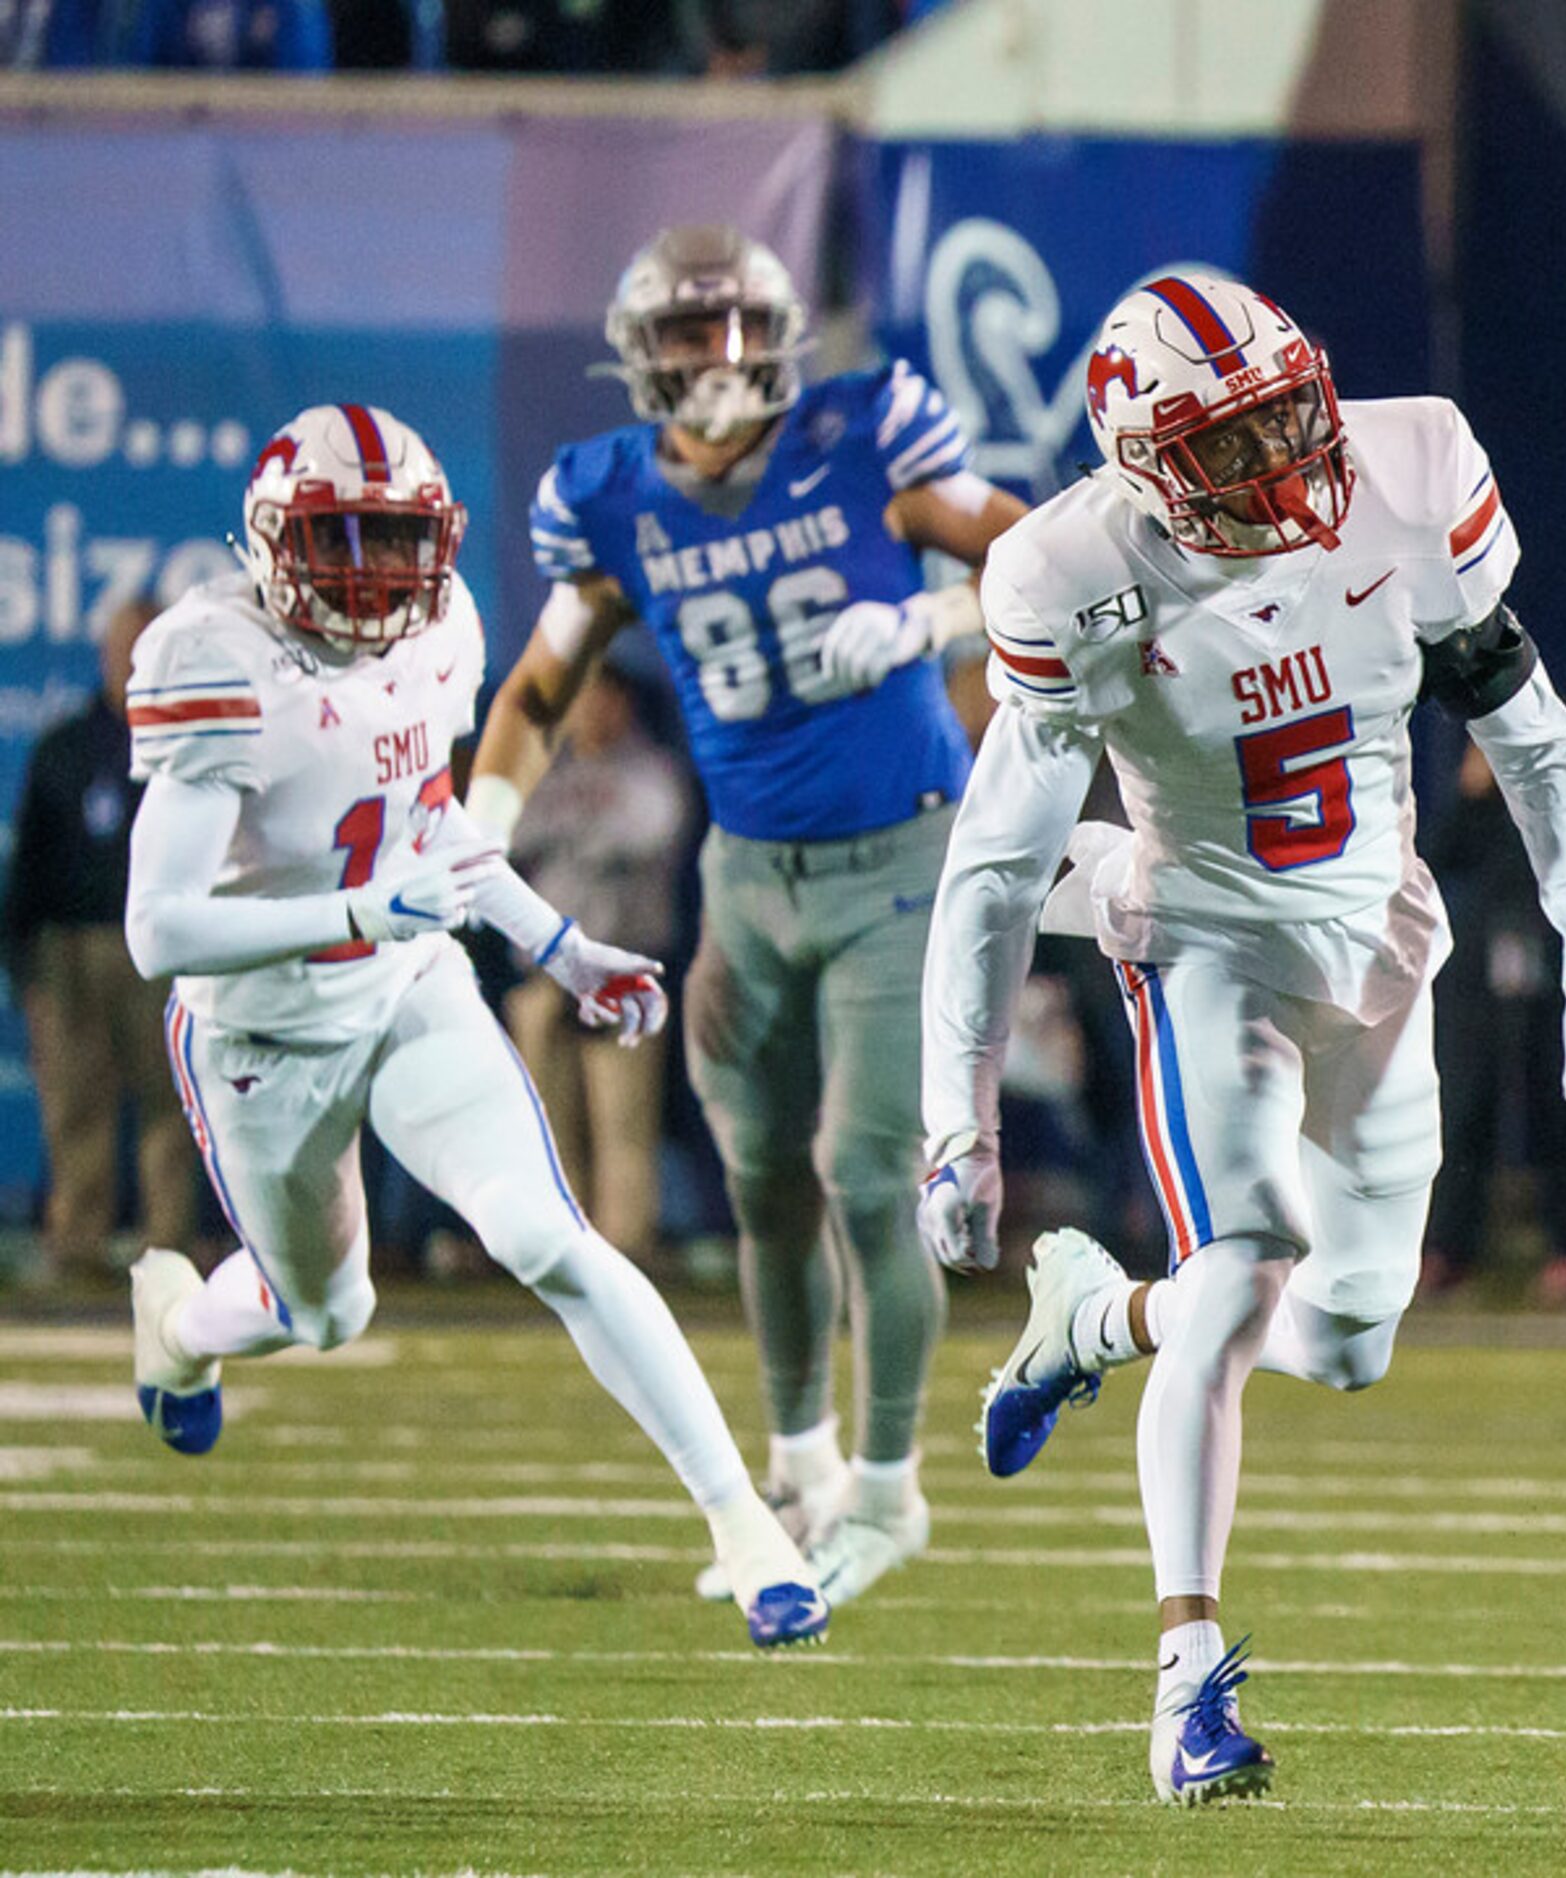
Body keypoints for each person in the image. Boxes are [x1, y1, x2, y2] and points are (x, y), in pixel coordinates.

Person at [916, 272, 1566, 1803]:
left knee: (1350, 1335)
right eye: (1227, 444)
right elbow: (990, 869)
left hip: (1377, 929)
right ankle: (1186, 1685)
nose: (1280, 465)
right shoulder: (1070, 573)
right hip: (1204, 948)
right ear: (1144, 466)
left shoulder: (1413, 466)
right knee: (1247, 1267)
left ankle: (1100, 1319)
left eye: (1282, 418)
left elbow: (1533, 733)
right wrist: (957, 1121)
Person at [122, 402, 825, 1649]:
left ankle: (743, 1524)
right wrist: (357, 905)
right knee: (326, 1313)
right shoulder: (214, 659)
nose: (375, 578)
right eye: (343, 542)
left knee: (544, 1235)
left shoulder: (440, 631)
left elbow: (430, 826)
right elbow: (158, 931)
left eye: (398, 543)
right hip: (260, 1041)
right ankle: (179, 1332)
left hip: (403, 989)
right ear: (273, 542)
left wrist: (558, 941)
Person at [471, 225, 1025, 1608]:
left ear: (780, 337)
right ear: (637, 353)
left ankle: (890, 1491)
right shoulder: (607, 500)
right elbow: (539, 693)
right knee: (765, 1181)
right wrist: (475, 843)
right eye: (686, 334)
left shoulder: (861, 435)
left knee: (861, 1170)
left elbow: (1043, 556)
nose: (717, 361)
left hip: (903, 856)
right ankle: (802, 1470)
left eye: (738, 330)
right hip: (747, 878)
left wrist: (933, 616)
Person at [3, 598, 201, 1283]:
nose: (131, 661)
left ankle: (167, 1248)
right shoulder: (65, 745)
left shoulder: (189, 747)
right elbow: (29, 859)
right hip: (72, 950)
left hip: (161, 945)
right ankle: (78, 1248)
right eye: (123, 648)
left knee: (167, 1104)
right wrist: (24, 959)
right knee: (76, 1107)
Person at [501, 664, 690, 1266]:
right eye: (581, 699)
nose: (590, 711)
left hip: (620, 969)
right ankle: (560, 1251)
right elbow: (508, 836)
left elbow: (645, 836)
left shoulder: (651, 770)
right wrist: (578, 833)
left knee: (622, 1128)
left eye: (602, 698)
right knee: (544, 1127)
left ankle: (625, 1253)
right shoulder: (548, 773)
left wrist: (571, 836)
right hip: (544, 975)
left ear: (624, 704)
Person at [1418, 743, 1566, 1308]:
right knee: (1465, 1112)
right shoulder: (1478, 804)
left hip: (1555, 969)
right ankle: (1449, 1251)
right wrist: (1471, 796)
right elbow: (1437, 854)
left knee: (1562, 1114)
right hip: (1479, 975)